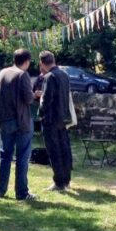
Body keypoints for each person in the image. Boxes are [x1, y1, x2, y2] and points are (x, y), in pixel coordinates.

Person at [0, 48, 36, 201]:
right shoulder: (22, 74)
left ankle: (0, 190)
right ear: (27, 62)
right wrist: (35, 94)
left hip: (4, 119)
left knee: (5, 155)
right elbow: (28, 99)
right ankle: (21, 192)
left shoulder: (2, 72)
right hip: (20, 120)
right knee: (22, 157)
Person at [37, 51, 73, 192]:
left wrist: (40, 113)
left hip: (51, 119)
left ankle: (59, 182)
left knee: (54, 150)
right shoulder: (64, 74)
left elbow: (46, 100)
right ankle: (67, 179)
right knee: (64, 149)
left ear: (42, 62)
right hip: (63, 117)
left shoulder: (49, 76)